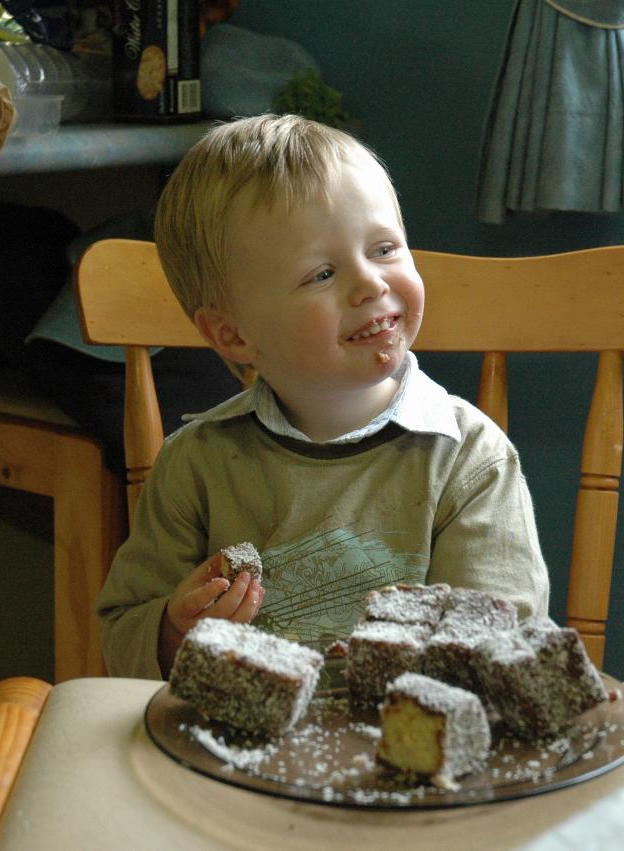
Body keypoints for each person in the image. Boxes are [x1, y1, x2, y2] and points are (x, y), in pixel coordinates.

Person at [96, 114, 550, 680]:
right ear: (234, 335)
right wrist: (173, 630)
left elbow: (503, 645)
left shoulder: (468, 457)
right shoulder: (196, 464)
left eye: (384, 248)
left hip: (410, 753)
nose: (371, 285)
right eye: (323, 274)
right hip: (231, 755)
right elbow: (122, 641)